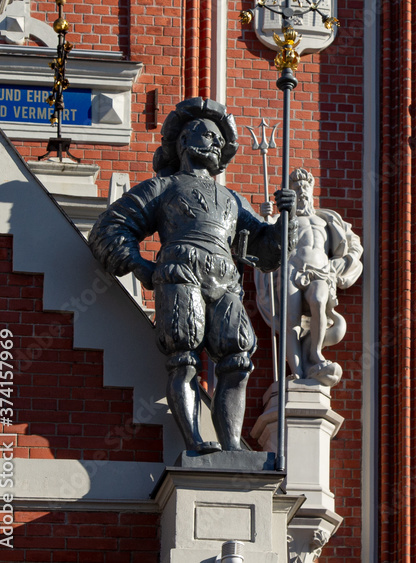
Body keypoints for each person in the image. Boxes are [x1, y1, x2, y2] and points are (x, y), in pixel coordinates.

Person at [88, 98, 297, 454]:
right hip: (180, 271)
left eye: (219, 139)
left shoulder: (233, 200)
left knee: (238, 358)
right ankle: (195, 441)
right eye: (207, 134)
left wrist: (284, 224)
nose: (215, 142)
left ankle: (231, 445)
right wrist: (140, 266)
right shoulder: (164, 187)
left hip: (225, 278)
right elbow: (111, 227)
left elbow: (264, 251)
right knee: (183, 354)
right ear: (184, 141)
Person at [254, 168, 362, 386]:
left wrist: (340, 264)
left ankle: (315, 353)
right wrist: (264, 218)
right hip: (290, 271)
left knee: (320, 300)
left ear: (311, 192)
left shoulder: (327, 219)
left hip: (320, 271)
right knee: (290, 320)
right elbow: (264, 241)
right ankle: (297, 370)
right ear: (291, 194)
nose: (302, 192)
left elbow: (354, 244)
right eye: (297, 188)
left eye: (305, 188)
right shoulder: (281, 221)